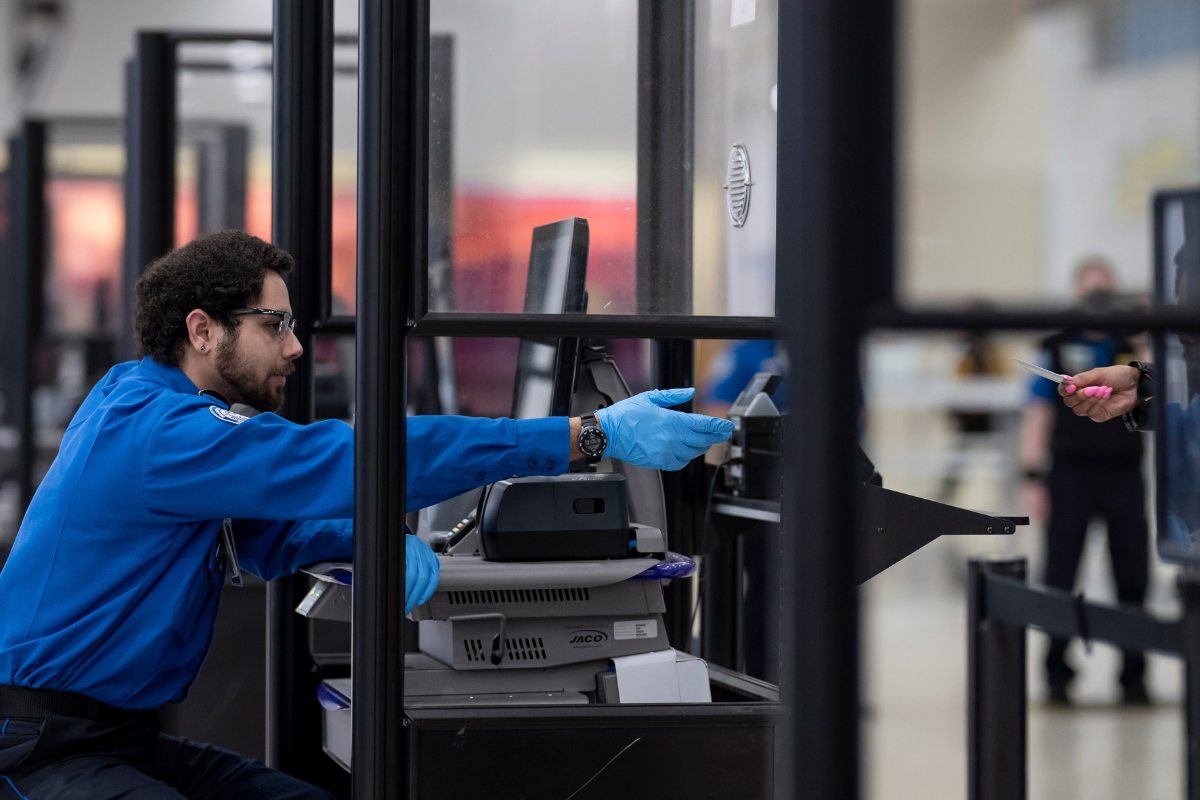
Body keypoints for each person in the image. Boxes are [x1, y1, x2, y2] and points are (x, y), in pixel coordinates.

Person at [0, 231, 733, 799]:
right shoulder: (163, 433)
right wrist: (587, 436)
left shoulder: (152, 408)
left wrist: (368, 536)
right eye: (274, 323)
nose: (293, 347)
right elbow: (358, 458)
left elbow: (259, 539)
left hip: (113, 736)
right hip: (41, 742)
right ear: (201, 330)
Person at [1018, 258, 1150, 705]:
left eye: (1105, 292)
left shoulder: (1131, 347)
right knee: (1060, 573)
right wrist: (1033, 478)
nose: (1098, 300)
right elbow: (1036, 414)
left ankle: (1134, 677)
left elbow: (1162, 384)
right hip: (1070, 472)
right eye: (1090, 291)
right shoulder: (1054, 346)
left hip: (1125, 475)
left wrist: (1137, 335)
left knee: (1132, 576)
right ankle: (1058, 676)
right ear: (1076, 295)